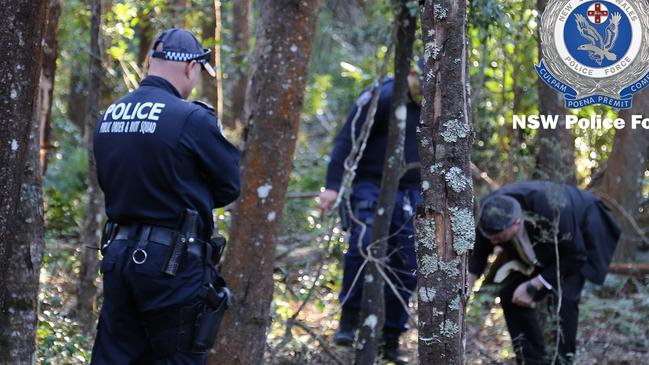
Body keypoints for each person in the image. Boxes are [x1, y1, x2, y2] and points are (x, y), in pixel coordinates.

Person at [90, 28, 241, 364]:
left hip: (117, 256)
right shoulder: (190, 118)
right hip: (172, 263)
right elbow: (230, 184)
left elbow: (108, 179)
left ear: (151, 62)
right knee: (178, 356)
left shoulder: (110, 116)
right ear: (190, 66)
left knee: (115, 356)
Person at [318, 61, 423, 363]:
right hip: (372, 184)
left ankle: (390, 337)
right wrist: (332, 186)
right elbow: (346, 139)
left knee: (408, 262)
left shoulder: (444, 102)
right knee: (362, 245)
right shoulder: (385, 95)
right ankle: (349, 319)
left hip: (412, 191)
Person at [468, 181, 621, 365]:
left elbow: (575, 255)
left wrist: (534, 285)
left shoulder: (550, 208)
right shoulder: (489, 212)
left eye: (499, 238)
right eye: (491, 237)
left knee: (564, 298)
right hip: (539, 248)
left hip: (581, 235)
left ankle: (563, 360)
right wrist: (466, 287)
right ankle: (532, 361)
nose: (494, 243)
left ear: (516, 222)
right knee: (509, 295)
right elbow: (479, 253)